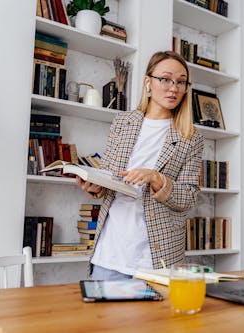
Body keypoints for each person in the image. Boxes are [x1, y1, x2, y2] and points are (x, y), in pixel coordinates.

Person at [76, 50, 205, 280]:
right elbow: (109, 177)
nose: (173, 87)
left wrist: (156, 178)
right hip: (110, 254)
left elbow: (189, 198)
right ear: (148, 82)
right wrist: (95, 186)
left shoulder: (190, 137)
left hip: (157, 258)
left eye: (181, 82)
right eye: (165, 79)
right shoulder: (122, 123)